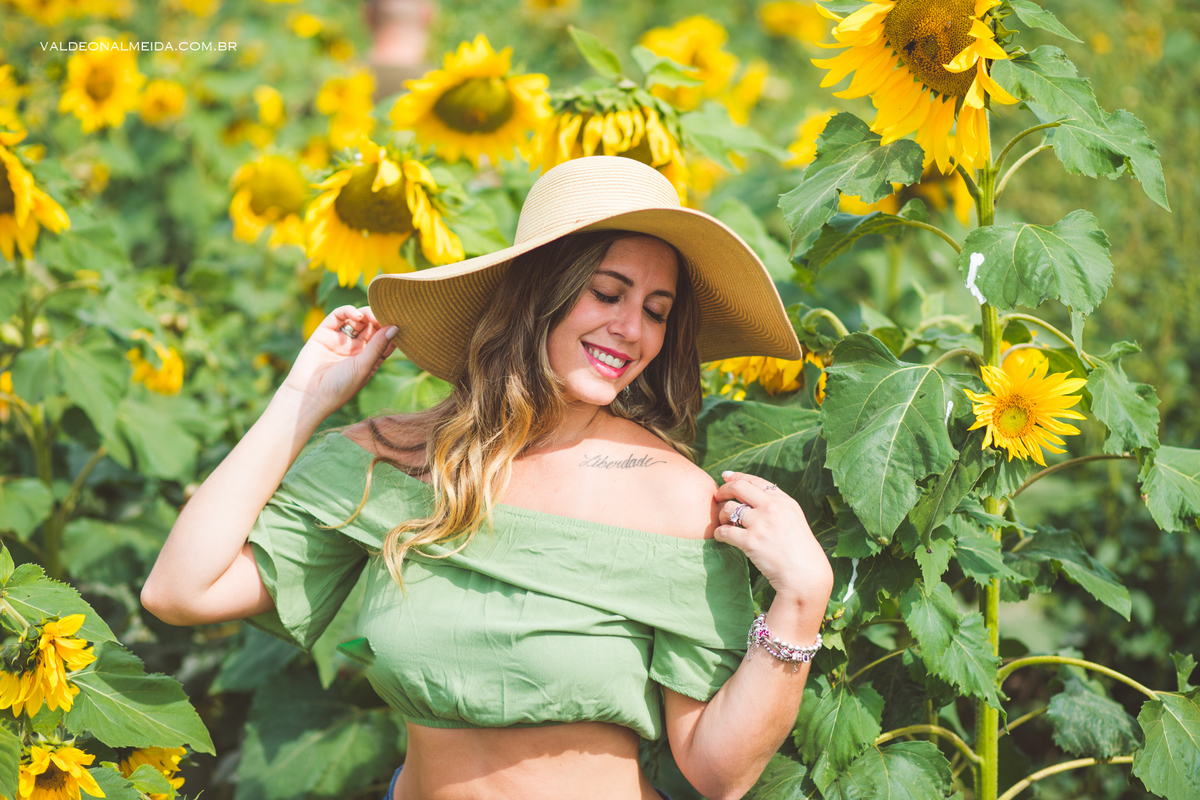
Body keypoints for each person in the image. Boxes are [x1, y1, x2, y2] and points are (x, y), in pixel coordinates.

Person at [142, 156, 834, 800]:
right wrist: (303, 398)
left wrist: (803, 599)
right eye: (607, 293)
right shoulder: (393, 463)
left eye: (657, 310)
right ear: (540, 293)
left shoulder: (671, 495)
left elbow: (719, 771)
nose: (632, 329)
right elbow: (180, 591)